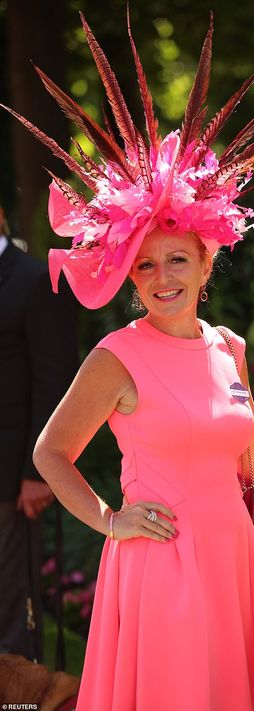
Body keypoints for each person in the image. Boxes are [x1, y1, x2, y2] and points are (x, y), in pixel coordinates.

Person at [4, 11, 254, 710]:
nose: (161, 276)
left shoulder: (228, 346)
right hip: (161, 566)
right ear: (130, 275)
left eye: (176, 259)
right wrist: (111, 520)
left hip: (232, 563)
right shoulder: (117, 357)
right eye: (144, 265)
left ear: (206, 261)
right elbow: (51, 452)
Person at [0, 206, 77, 662]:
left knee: (11, 605)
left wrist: (38, 472)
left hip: (11, 480)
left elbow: (56, 380)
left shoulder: (35, 281)